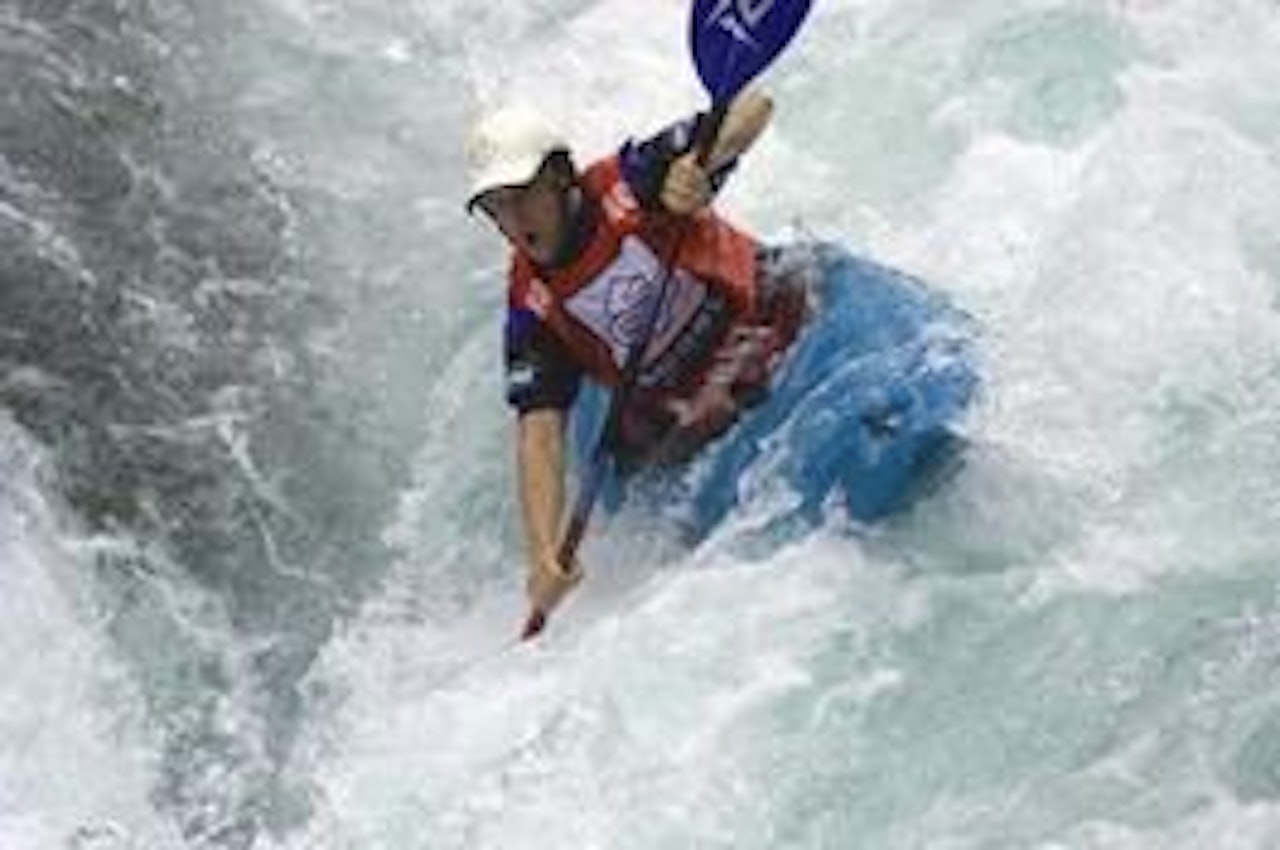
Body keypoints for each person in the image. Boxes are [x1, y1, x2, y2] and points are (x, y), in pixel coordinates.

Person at [465, 94, 978, 625]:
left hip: (775, 324)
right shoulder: (532, 304)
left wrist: (697, 171)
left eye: (522, 197)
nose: (512, 220)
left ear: (561, 178)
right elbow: (539, 430)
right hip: (699, 408)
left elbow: (752, 108)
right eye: (495, 207)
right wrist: (542, 555)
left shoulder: (630, 181)